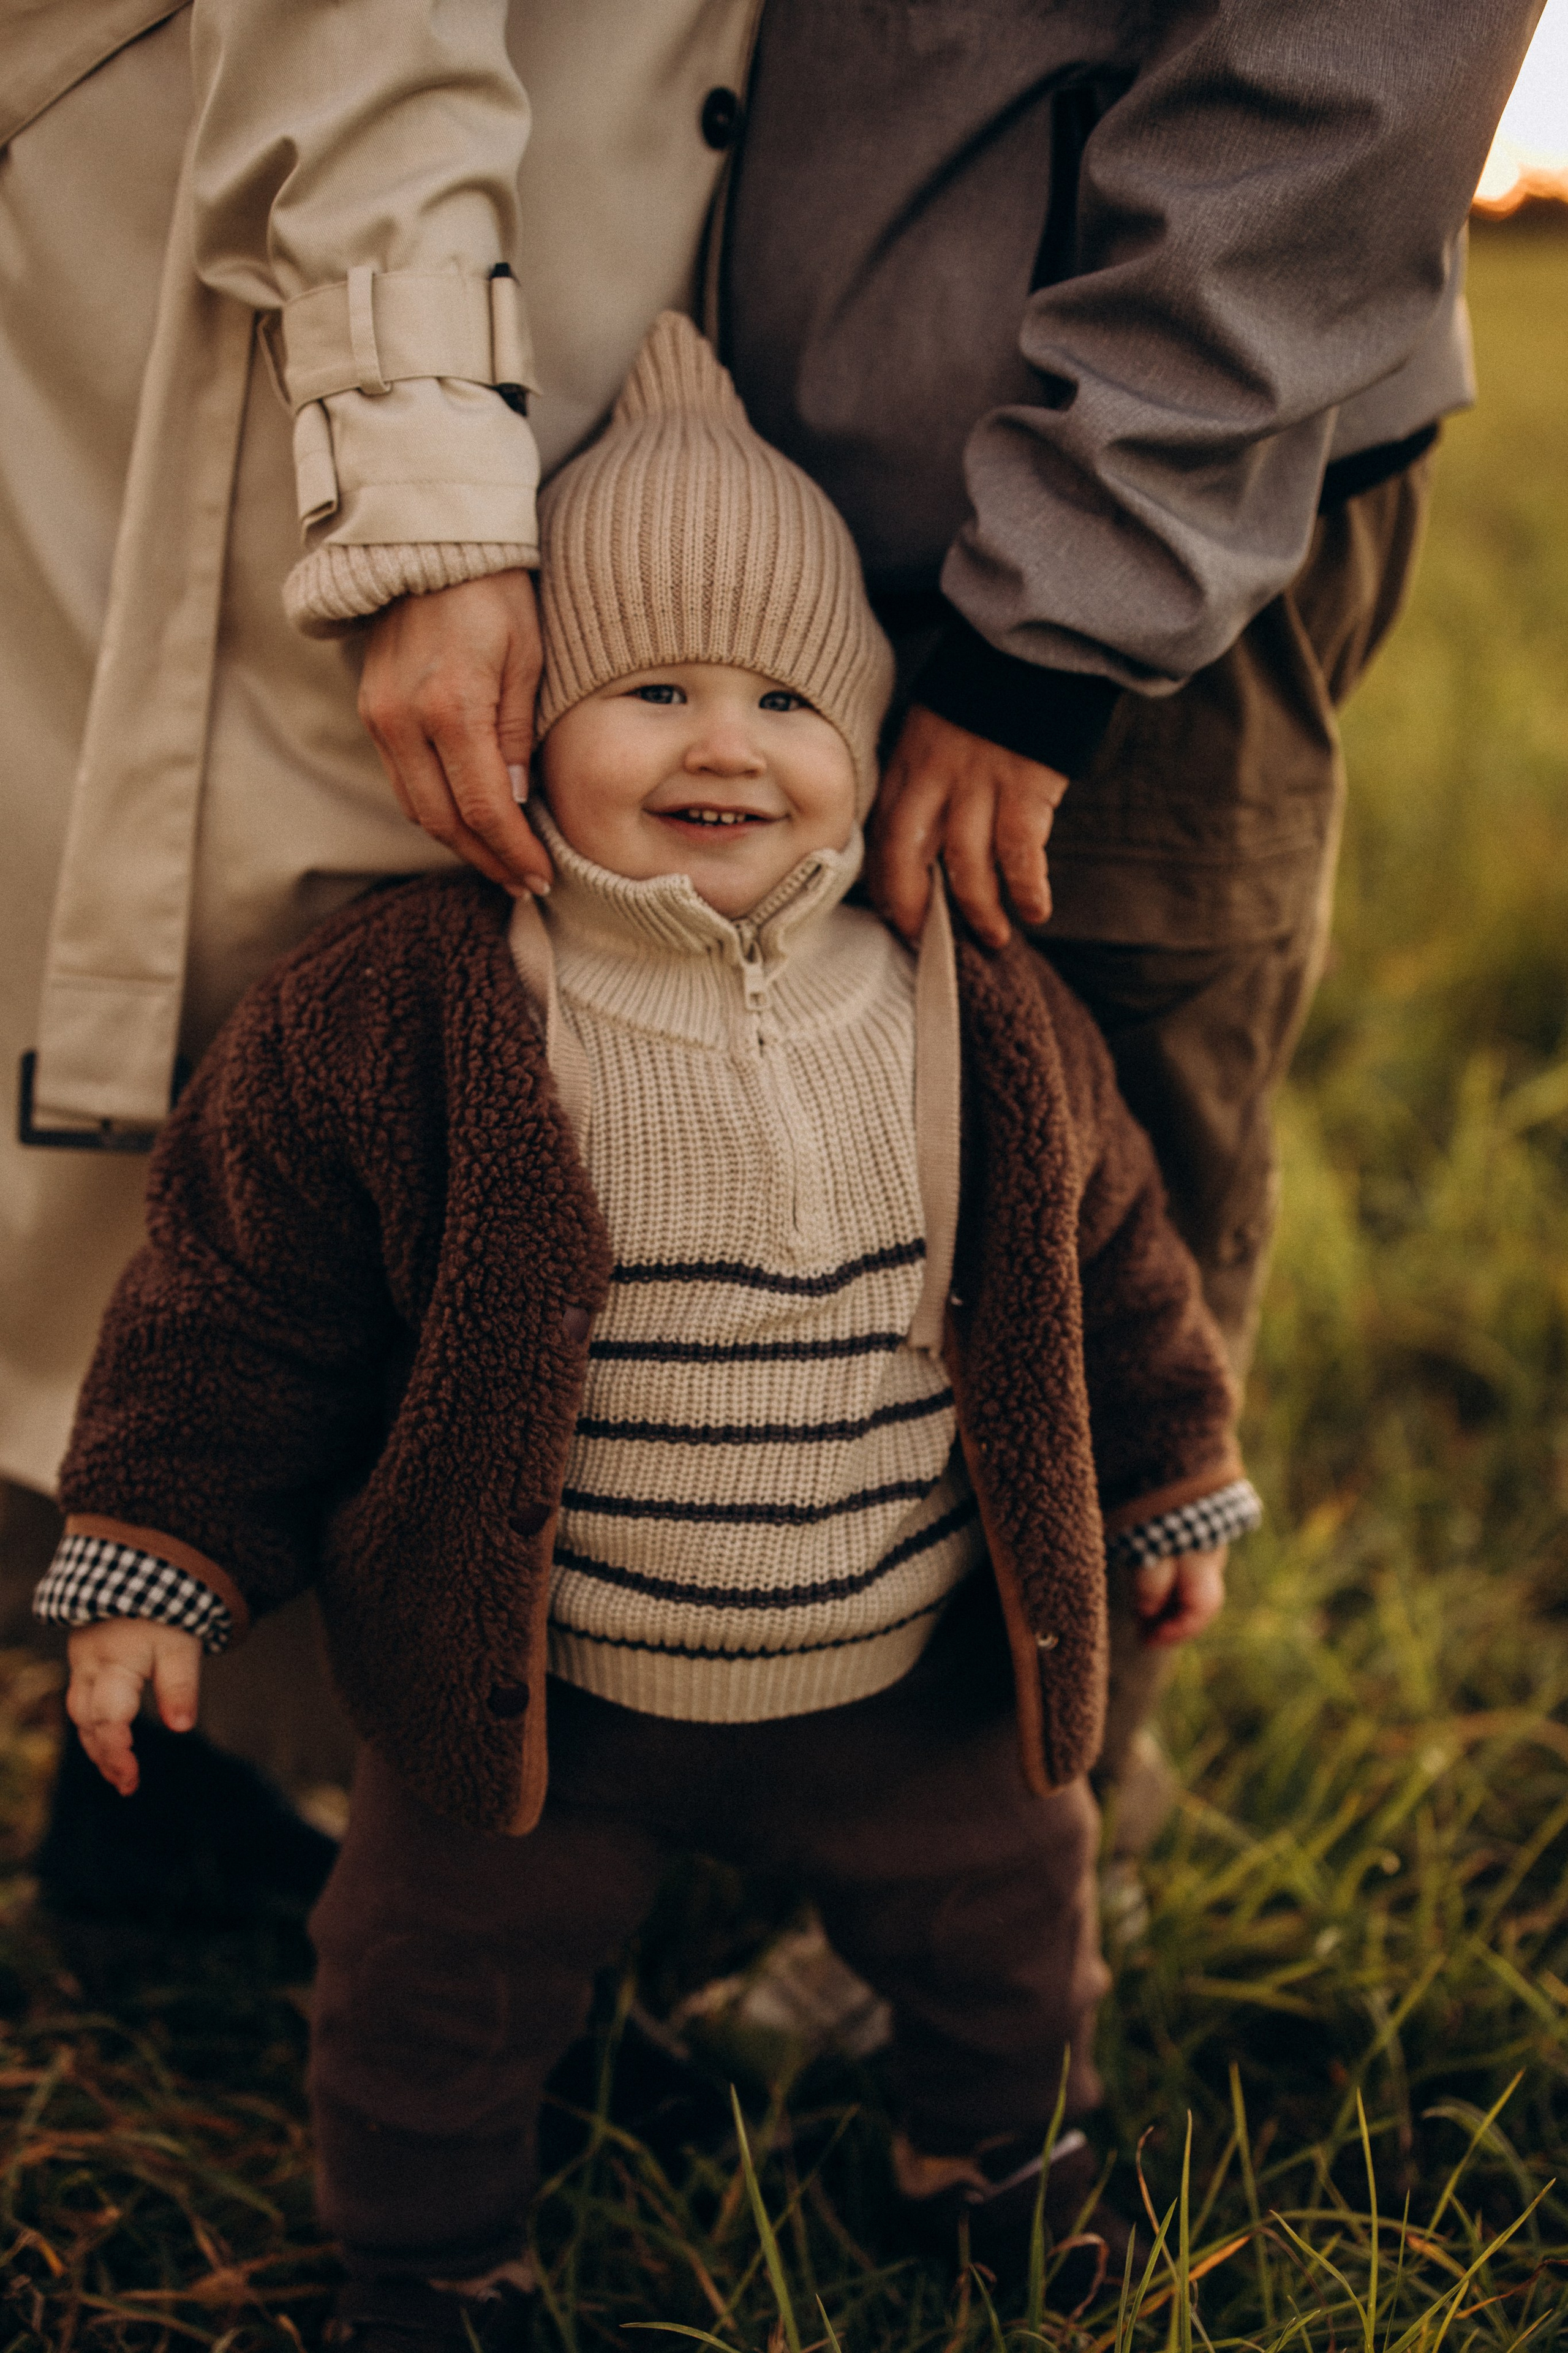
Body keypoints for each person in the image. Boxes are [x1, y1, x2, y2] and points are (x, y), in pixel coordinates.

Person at [2, 0, 1536, 1838]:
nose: (718, 756)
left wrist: (1079, 591)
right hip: (769, 446)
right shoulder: (410, 995)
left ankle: (1015, 1843)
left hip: (1167, 461)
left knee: (1066, 1094)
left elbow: (1369, 49)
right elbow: (264, 1258)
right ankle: (656, 1794)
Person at [37, 318, 1259, 2344]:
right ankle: (435, 2263)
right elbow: (236, 1295)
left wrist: (1170, 1477)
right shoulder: (420, 1008)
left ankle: (988, 2150)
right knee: (425, 1978)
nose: (726, 740)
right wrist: (157, 1546)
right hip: (545, 1706)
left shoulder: (969, 1005)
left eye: (789, 694)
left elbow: (1106, 1256)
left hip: (906, 1677)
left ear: (865, 749)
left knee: (1007, 1930)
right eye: (652, 687)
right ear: (525, 731)